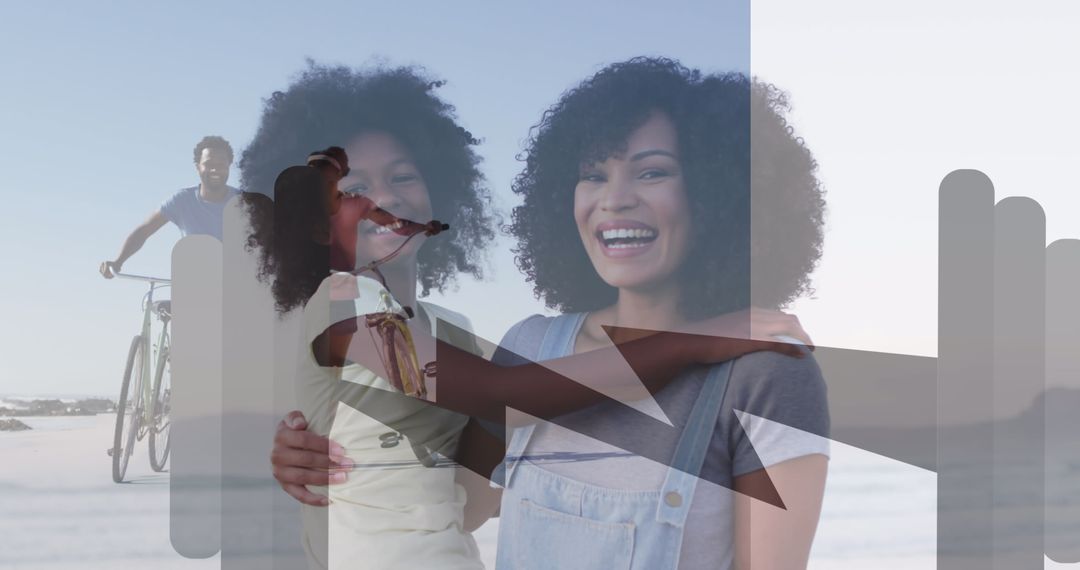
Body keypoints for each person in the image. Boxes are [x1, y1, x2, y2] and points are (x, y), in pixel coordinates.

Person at [270, 58, 828, 569]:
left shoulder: (765, 375)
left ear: (716, 189)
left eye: (652, 172)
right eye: (593, 174)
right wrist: (306, 452)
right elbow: (496, 408)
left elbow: (454, 498)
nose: (615, 198)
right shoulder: (521, 345)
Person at [241, 63, 497, 570]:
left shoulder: (455, 329)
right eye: (353, 187)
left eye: (402, 176)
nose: (382, 197)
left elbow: (470, 509)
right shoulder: (339, 303)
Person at [100, 135, 239, 277]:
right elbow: (144, 231)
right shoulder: (182, 200)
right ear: (198, 167)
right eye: (208, 164)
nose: (215, 170)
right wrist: (118, 262)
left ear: (229, 166)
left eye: (221, 164)